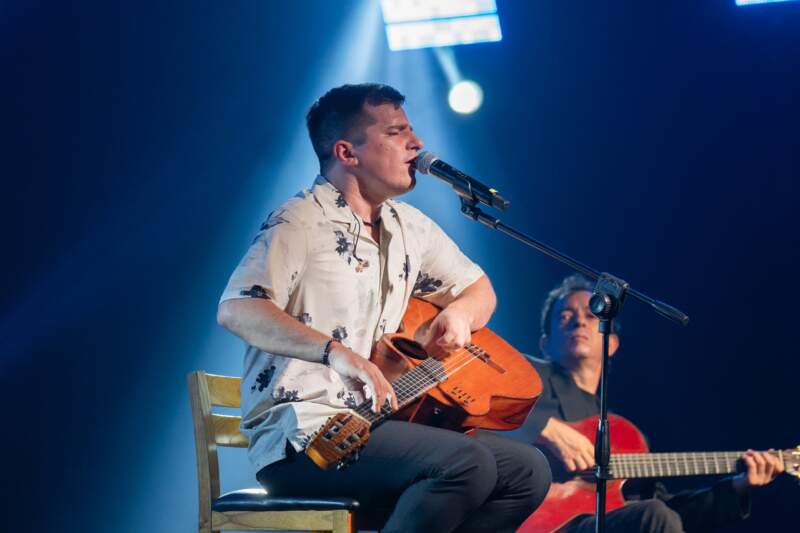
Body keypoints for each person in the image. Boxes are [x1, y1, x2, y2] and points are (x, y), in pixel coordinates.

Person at [216, 83, 551, 533]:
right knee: (466, 463)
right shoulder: (298, 222)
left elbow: (478, 289)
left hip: (380, 425)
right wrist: (337, 353)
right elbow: (238, 309)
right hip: (304, 439)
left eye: (412, 131)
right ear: (347, 153)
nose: (416, 144)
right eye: (396, 133)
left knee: (526, 471)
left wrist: (459, 315)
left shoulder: (409, 226)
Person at [507, 274, 784, 532]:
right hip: (525, 518)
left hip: (592, 523)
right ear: (544, 342)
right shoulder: (524, 374)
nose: (579, 322)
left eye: (592, 316)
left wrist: (737, 486)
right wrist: (546, 428)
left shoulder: (621, 431)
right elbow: (472, 413)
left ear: (612, 343)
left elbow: (667, 510)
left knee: (658, 514)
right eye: (565, 316)